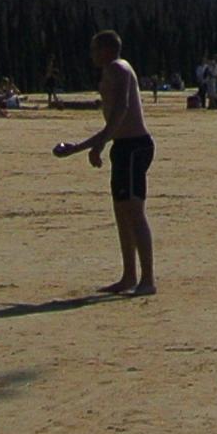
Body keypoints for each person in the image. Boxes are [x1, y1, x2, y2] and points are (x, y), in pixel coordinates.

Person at [49, 30, 157, 297]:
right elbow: (114, 116)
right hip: (123, 146)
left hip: (134, 146)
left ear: (107, 49)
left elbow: (120, 112)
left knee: (134, 211)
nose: (92, 54)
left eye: (95, 49)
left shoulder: (117, 70)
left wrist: (84, 146)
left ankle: (147, 280)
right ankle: (129, 276)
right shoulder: (114, 70)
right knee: (122, 212)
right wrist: (100, 144)